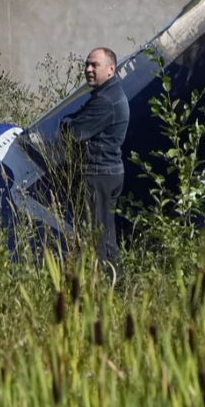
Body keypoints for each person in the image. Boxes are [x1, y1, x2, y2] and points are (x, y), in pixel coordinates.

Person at [61, 47, 130, 272]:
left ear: (111, 69)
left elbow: (74, 131)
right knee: (105, 236)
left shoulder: (105, 101)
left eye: (94, 65)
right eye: (87, 64)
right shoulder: (105, 95)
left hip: (100, 173)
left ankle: (102, 286)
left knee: (96, 237)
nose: (88, 69)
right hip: (109, 172)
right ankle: (114, 283)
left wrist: (65, 124)